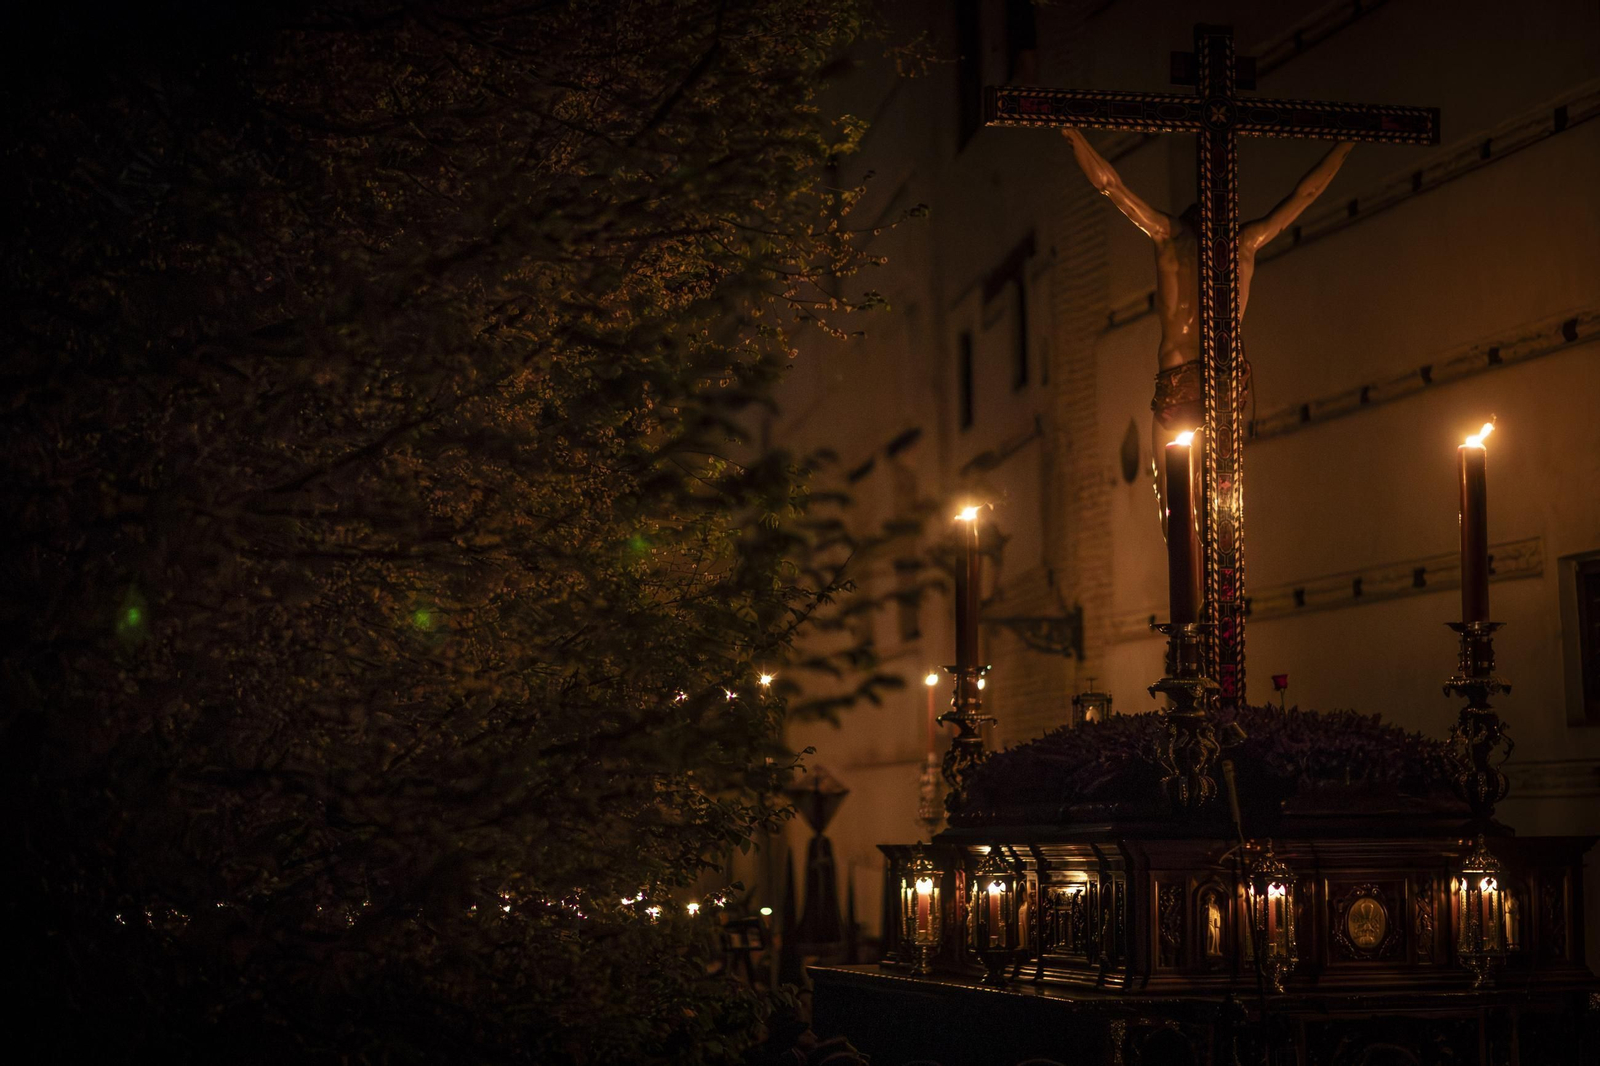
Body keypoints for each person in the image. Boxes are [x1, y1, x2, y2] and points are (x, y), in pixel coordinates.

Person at [1061, 128, 1354, 526]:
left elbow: (1111, 186)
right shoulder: (1244, 244)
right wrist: (1347, 143)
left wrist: (1073, 135)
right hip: (1221, 384)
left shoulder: (1168, 237)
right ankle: (1213, 551)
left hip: (1177, 382)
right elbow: (1307, 193)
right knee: (1218, 504)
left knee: (1170, 500)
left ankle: (1191, 555)